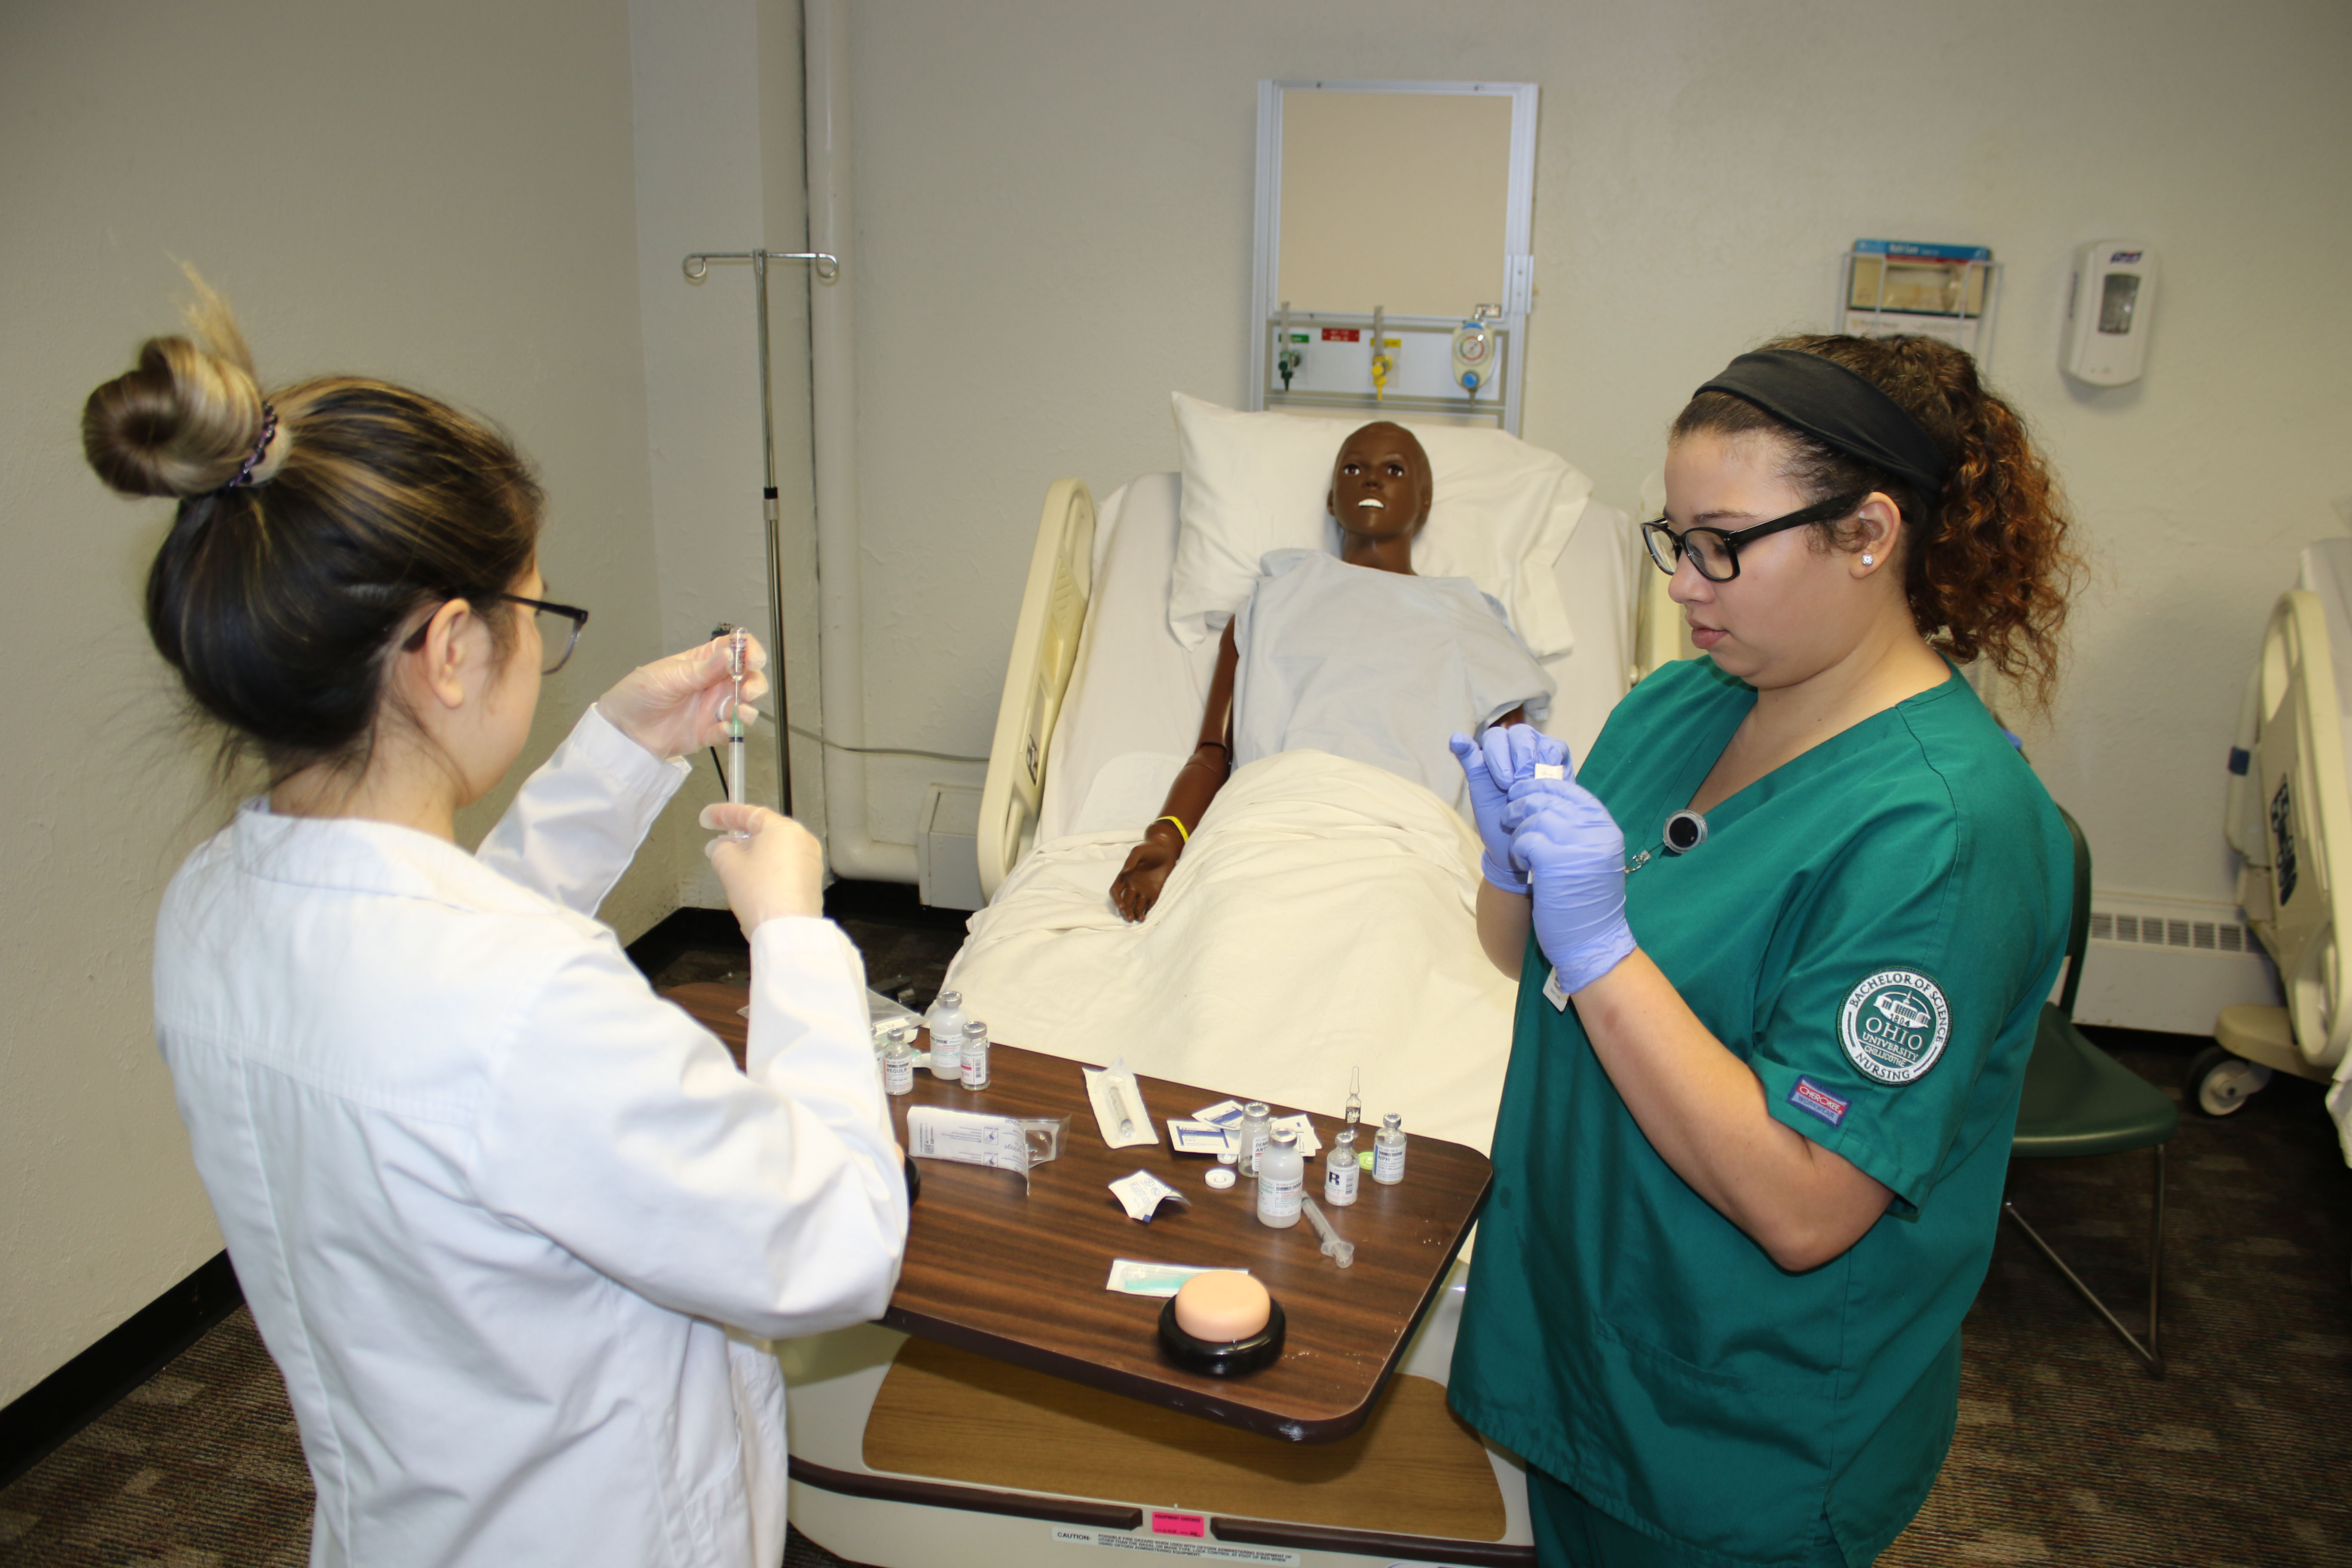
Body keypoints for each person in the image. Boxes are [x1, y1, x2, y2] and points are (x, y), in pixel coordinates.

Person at [81, 280, 907, 1568]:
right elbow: (836, 1241)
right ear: (452, 649)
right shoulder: (521, 998)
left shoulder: (214, 913)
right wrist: (797, 938)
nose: (542, 646)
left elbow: (433, 985)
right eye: (537, 617)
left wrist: (624, 747)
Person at [1446, 334, 2082, 1566]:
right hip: (1590, 1333)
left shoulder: (1947, 834)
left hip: (1741, 1417)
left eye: (1723, 544)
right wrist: (1509, 866)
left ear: (1868, 536)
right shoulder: (1681, 704)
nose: (1687, 583)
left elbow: (1803, 1204)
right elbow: (1518, 958)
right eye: (1674, 538)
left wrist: (1604, 942)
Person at [1110, 420, 1551, 921]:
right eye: (1354, 467)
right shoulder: (1272, 600)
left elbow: (1517, 773)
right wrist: (1167, 837)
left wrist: (1539, 877)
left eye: (1394, 469)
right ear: (1330, 499)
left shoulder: (1468, 614)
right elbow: (1213, 753)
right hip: (1268, 831)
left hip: (1405, 848)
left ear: (1425, 501)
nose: (1371, 480)